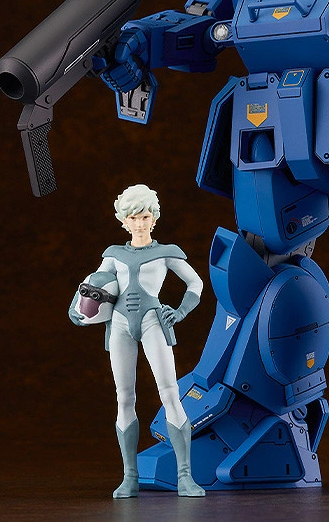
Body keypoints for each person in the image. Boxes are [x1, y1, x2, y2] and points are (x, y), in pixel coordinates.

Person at [69, 184, 205, 498]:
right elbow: (93, 284)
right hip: (118, 324)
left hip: (153, 321)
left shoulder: (166, 252)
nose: (140, 223)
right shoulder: (113, 255)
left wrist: (181, 311)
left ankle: (185, 476)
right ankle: (129, 477)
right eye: (133, 217)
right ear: (124, 220)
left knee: (170, 393)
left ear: (153, 218)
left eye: (144, 216)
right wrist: (78, 309)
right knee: (124, 397)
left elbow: (195, 283)